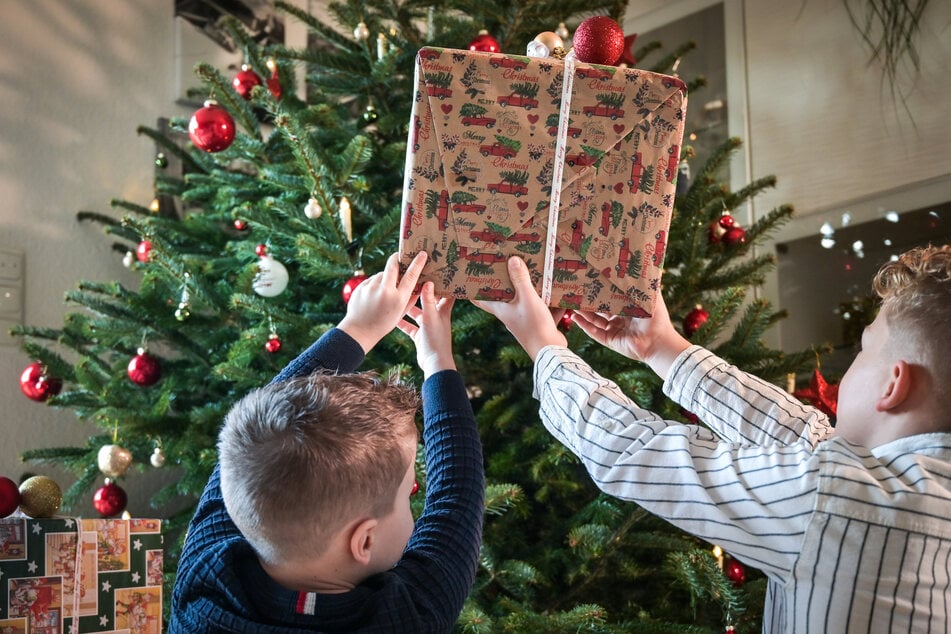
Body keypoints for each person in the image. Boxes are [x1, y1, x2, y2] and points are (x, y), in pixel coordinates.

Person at [475, 245, 951, 633]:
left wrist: (543, 346)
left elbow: (631, 449)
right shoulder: (922, 489)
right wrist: (662, 347)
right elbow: (805, 437)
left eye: (864, 350)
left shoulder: (843, 501)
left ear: (892, 385)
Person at [169, 252, 485, 633]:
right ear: (364, 541)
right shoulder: (408, 617)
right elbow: (457, 496)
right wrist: (434, 358)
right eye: (406, 496)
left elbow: (264, 430)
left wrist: (357, 329)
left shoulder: (203, 584)